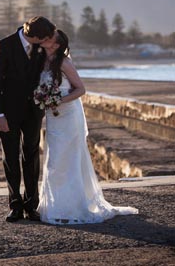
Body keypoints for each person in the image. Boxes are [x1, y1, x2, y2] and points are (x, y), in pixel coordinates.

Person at [37, 29, 138, 224]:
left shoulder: (64, 63)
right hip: (53, 117)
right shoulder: (41, 61)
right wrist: (44, 99)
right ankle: (54, 205)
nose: (45, 38)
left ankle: (72, 207)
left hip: (68, 116)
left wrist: (59, 100)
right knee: (54, 160)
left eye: (49, 38)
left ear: (56, 45)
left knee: (69, 160)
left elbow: (81, 89)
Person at [0, 16, 56, 222]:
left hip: (34, 112)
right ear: (34, 36)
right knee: (10, 158)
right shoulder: (5, 44)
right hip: (8, 113)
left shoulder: (40, 47)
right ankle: (15, 204)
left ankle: (31, 205)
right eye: (44, 38)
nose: (46, 41)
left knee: (32, 156)